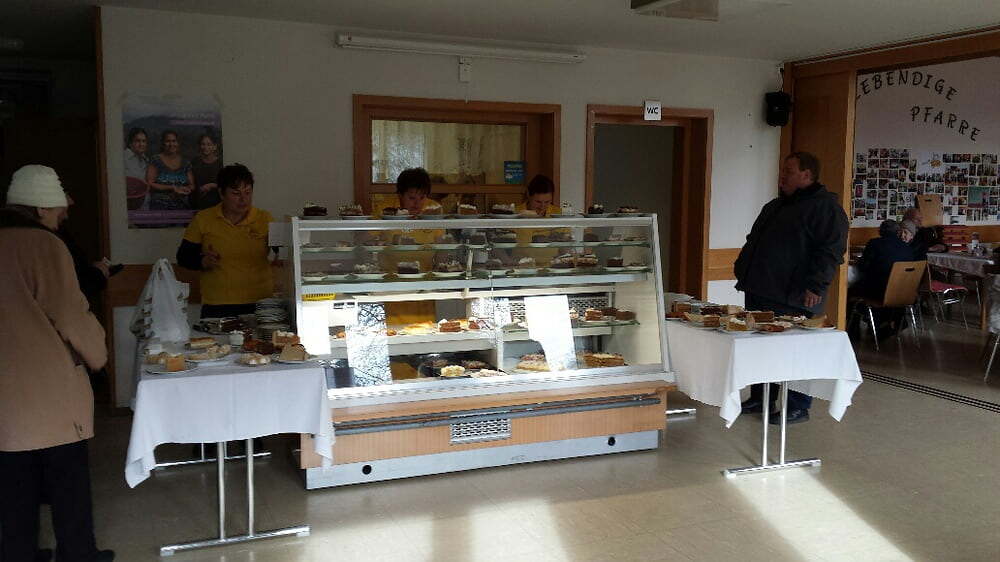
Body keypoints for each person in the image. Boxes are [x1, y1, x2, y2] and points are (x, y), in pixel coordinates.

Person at [0, 165, 114, 562]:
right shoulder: (45, 246)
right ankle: (78, 555)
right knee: (67, 482)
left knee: (14, 483)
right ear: (42, 207)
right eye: (58, 208)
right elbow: (69, 313)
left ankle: (19, 554)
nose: (64, 213)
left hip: (6, 394)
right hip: (48, 390)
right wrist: (98, 355)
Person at [734, 152, 849, 424]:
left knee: (796, 351)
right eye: (782, 170)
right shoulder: (776, 206)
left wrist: (816, 286)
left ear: (806, 175)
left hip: (795, 295)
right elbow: (754, 240)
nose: (782, 175)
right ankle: (762, 397)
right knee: (760, 348)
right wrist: (743, 268)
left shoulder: (826, 209)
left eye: (789, 171)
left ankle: (797, 405)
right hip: (761, 288)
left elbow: (830, 252)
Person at [176, 164, 274, 318]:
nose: (243, 199)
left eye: (248, 192)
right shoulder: (203, 219)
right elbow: (183, 257)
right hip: (217, 304)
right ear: (221, 194)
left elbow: (282, 252)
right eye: (236, 193)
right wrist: (203, 261)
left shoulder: (265, 219)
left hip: (259, 301)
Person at [145, 130, 194, 211]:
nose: (171, 144)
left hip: (181, 206)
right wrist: (172, 188)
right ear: (163, 143)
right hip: (159, 206)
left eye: (174, 141)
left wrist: (185, 190)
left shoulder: (186, 163)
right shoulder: (155, 160)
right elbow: (150, 183)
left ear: (178, 143)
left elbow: (192, 185)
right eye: (168, 141)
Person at [189, 132, 223, 210]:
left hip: (216, 204)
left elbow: (226, 185)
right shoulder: (195, 161)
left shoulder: (220, 164)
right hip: (197, 202)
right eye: (203, 144)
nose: (205, 147)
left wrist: (212, 185)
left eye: (209, 144)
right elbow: (191, 181)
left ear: (215, 147)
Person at [123, 127, 150, 211]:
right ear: (130, 143)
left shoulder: (146, 160)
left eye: (144, 141)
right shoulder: (123, 158)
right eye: (138, 141)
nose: (141, 144)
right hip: (129, 208)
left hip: (145, 207)